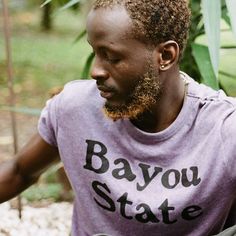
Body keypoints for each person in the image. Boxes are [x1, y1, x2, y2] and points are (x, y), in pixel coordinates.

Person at [0, 0, 235, 235]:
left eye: (111, 57)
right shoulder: (75, 109)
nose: (95, 71)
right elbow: (19, 172)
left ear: (165, 55)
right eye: (95, 52)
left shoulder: (223, 131)